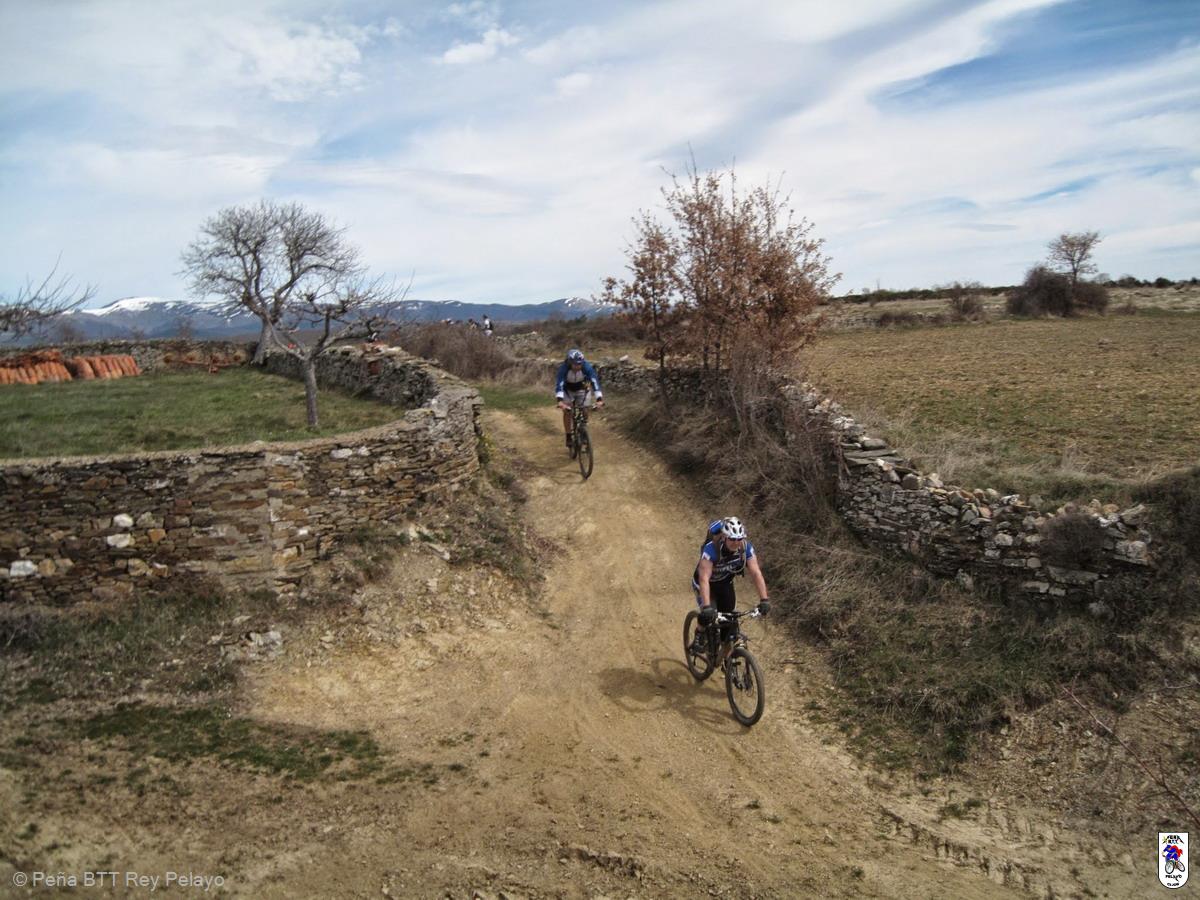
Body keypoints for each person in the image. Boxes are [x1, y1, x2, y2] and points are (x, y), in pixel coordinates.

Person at [691, 517, 770, 664]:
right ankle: (699, 633)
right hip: (705, 585)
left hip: (725, 584)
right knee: (708, 614)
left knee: (730, 620)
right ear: (724, 537)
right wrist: (707, 607)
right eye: (732, 539)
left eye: (739, 538)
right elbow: (704, 579)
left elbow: (756, 573)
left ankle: (727, 661)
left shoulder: (745, 548)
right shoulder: (711, 549)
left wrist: (764, 600)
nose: (736, 542)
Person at [554, 348, 604, 449]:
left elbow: (594, 382)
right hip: (567, 390)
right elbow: (560, 384)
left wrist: (599, 399)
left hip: (582, 389)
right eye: (575, 364)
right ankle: (568, 435)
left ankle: (584, 430)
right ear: (569, 362)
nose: (577, 366)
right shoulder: (563, 369)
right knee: (567, 411)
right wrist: (560, 401)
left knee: (585, 409)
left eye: (579, 364)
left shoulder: (587, 367)